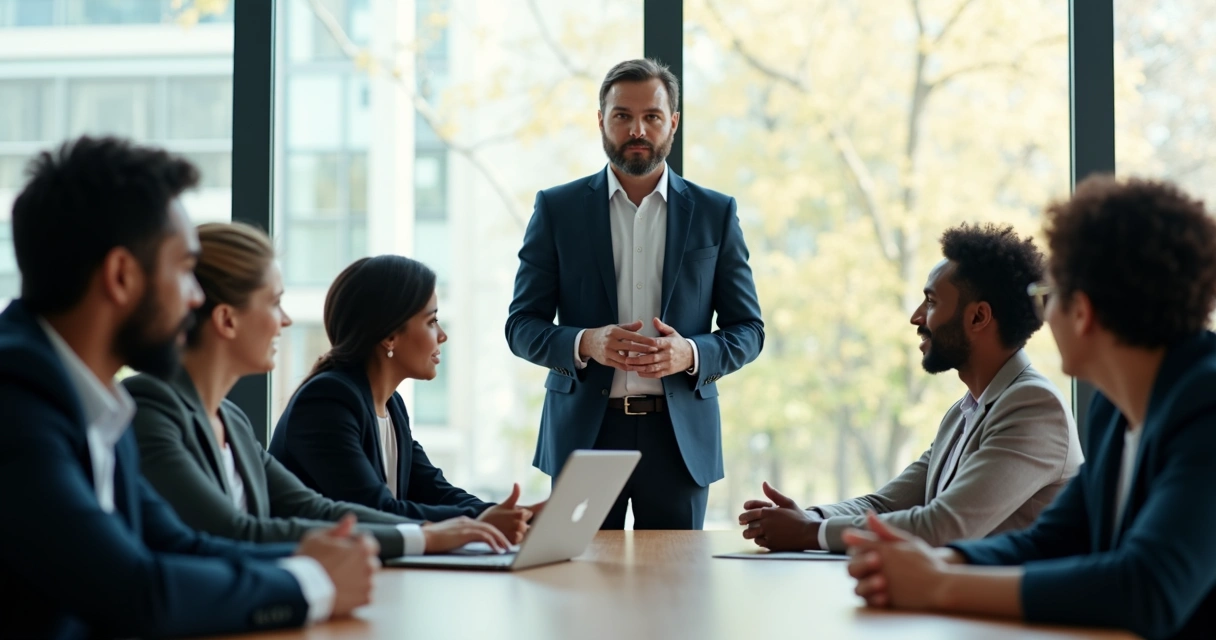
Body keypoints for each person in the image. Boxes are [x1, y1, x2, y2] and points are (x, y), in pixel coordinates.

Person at [0, 136, 377, 638]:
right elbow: (136, 591)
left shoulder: (94, 401)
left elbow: (178, 543)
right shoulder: (15, 404)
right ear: (120, 276)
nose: (196, 297)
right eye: (184, 269)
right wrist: (310, 582)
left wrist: (312, 556)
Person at [845, 176, 1216, 640]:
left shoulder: (1207, 408)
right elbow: (1053, 540)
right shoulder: (1113, 411)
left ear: (1082, 313)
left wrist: (941, 584)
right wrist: (935, 561)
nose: (1042, 316)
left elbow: (1148, 588)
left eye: (1047, 296)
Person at [124, 222, 510, 558]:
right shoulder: (149, 410)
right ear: (226, 319)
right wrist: (426, 536)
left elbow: (318, 510)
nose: (286, 321)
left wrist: (444, 528)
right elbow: (238, 532)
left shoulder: (233, 421)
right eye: (275, 303)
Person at [504, 58, 765, 530]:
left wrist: (691, 353)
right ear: (601, 120)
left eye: (652, 116)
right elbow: (521, 326)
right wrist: (587, 343)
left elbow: (749, 330)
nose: (637, 129)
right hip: (585, 431)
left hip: (679, 436)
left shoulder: (715, 213)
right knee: (579, 588)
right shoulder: (557, 209)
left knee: (674, 591)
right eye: (622, 115)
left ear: (674, 123)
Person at [738, 223, 1082, 552]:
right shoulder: (965, 412)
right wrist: (812, 517)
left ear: (978, 317)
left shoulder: (1033, 406)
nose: (917, 317)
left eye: (931, 302)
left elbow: (942, 527)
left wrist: (807, 532)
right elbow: (884, 504)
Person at [270, 255, 541, 543]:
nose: (443, 335)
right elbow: (374, 511)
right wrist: (481, 522)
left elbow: (434, 490)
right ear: (389, 337)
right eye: (432, 321)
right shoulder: (327, 402)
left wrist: (517, 514)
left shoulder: (390, 404)